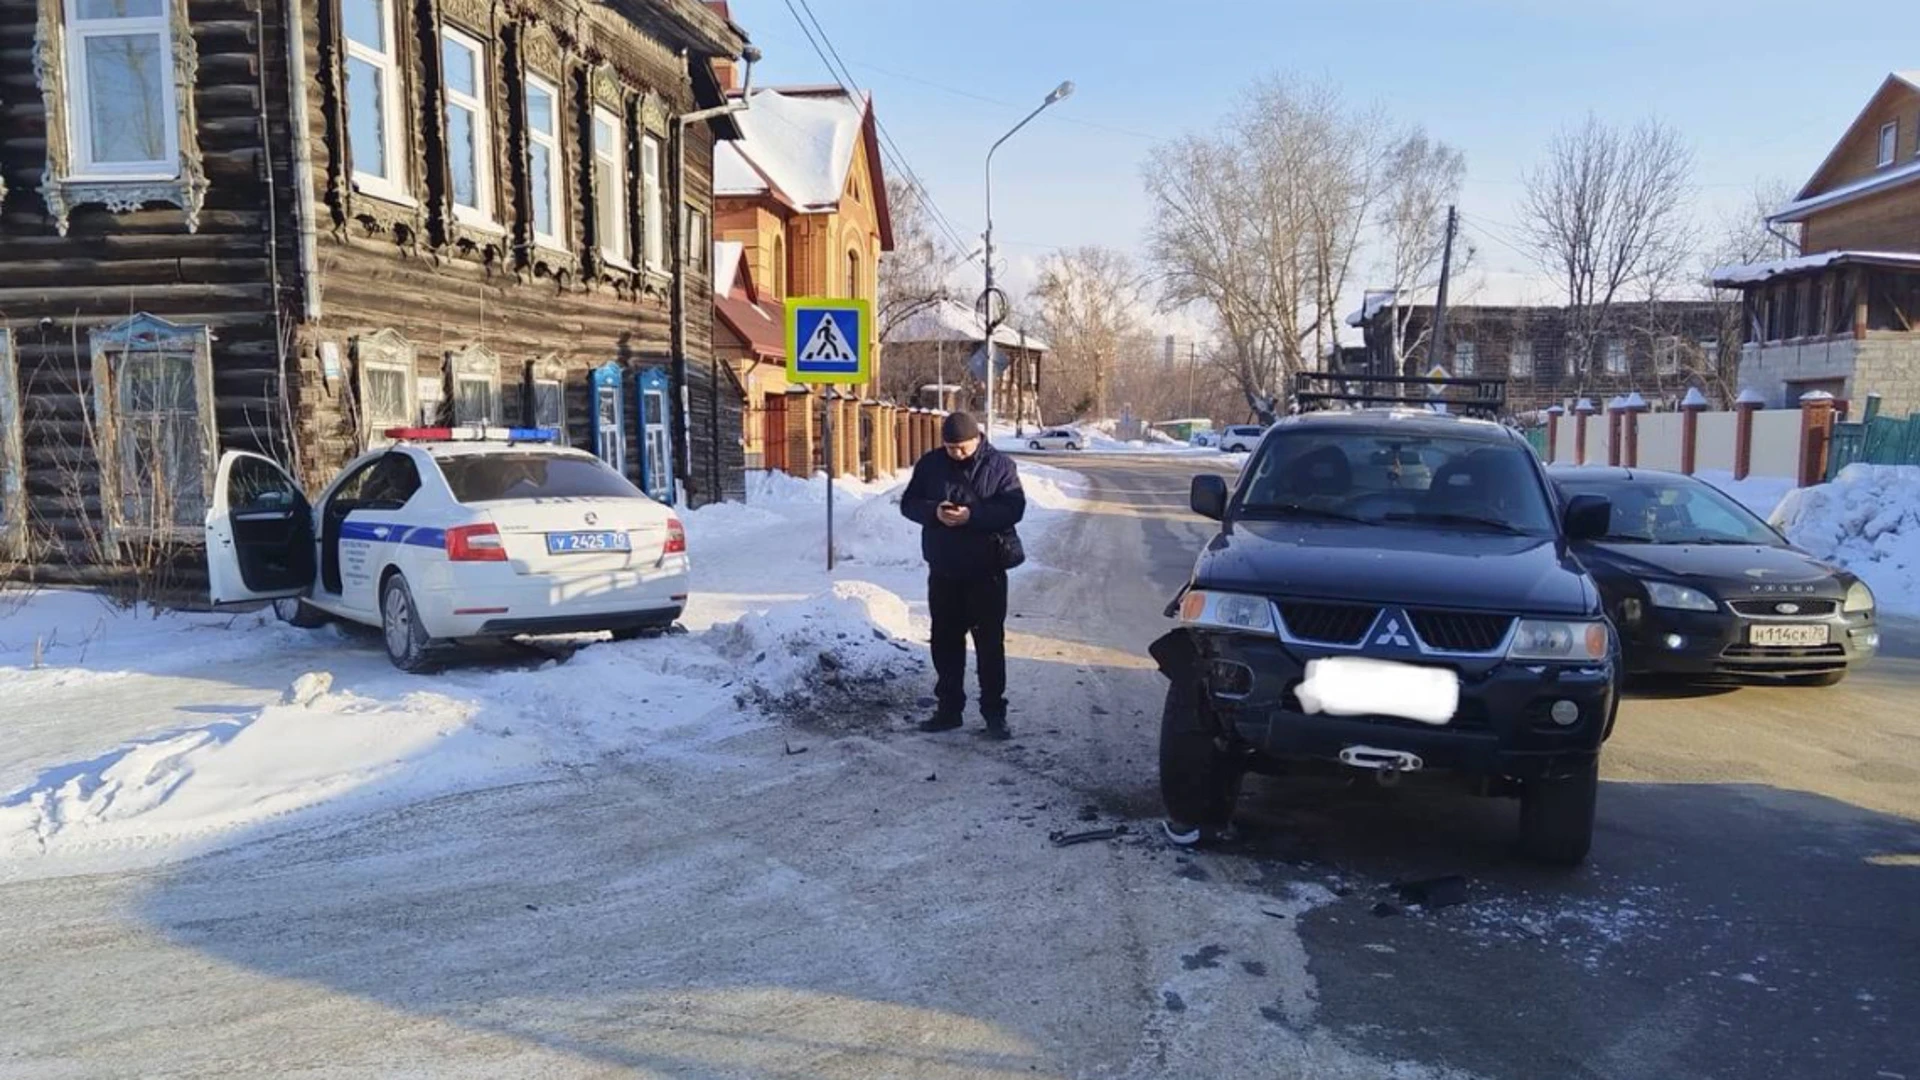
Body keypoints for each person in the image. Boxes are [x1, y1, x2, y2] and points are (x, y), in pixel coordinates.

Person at [899, 411, 1026, 739]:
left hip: (986, 572)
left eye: (962, 447)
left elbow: (1014, 508)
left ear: (977, 439)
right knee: (945, 643)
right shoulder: (930, 464)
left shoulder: (1000, 466)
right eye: (950, 447)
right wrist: (934, 512)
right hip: (943, 571)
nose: (956, 453)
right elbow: (908, 503)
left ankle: (994, 714)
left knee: (989, 646)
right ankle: (948, 710)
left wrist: (973, 515)